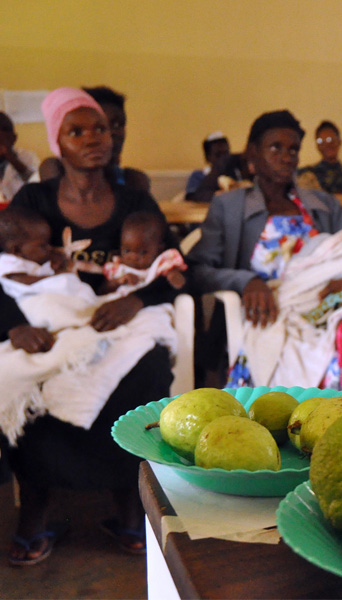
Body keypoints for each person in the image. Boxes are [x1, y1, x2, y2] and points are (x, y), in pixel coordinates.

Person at [3, 87, 180, 566]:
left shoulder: (136, 201)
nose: (92, 138)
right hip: (50, 323)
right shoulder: (33, 198)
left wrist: (133, 302)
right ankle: (34, 511)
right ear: (57, 141)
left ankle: (128, 505)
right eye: (76, 131)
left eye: (99, 128)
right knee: (28, 374)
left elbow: (171, 270)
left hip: (117, 322)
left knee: (144, 370)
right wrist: (16, 327)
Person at [186, 110, 342, 398]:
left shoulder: (323, 204)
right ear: (253, 154)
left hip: (326, 304)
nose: (287, 156)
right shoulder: (229, 207)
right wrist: (246, 282)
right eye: (275, 148)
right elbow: (197, 269)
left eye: (293, 149)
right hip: (269, 311)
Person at [39, 86, 150, 193]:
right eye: (100, 128)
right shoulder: (55, 169)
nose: (113, 133)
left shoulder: (134, 180)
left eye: (117, 125)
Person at [101, 211, 187, 294]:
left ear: (159, 250)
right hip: (117, 304)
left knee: (184, 299)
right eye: (127, 251)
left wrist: (173, 275)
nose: (133, 257)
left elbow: (172, 272)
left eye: (142, 252)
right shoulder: (118, 268)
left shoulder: (158, 266)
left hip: (152, 305)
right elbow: (102, 290)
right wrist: (118, 281)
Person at [297, 121, 342, 194]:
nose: (328, 145)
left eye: (331, 140)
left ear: (339, 141)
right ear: (317, 146)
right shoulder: (306, 174)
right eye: (321, 141)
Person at [0, 112, 39, 205]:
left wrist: (12, 159)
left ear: (14, 138)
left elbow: (37, 185)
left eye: (2, 141)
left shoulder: (27, 157)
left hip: (22, 212)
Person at [185, 132, 231, 199]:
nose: (223, 158)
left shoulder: (234, 174)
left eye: (226, 154)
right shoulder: (198, 175)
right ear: (207, 157)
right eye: (218, 155)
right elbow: (192, 198)